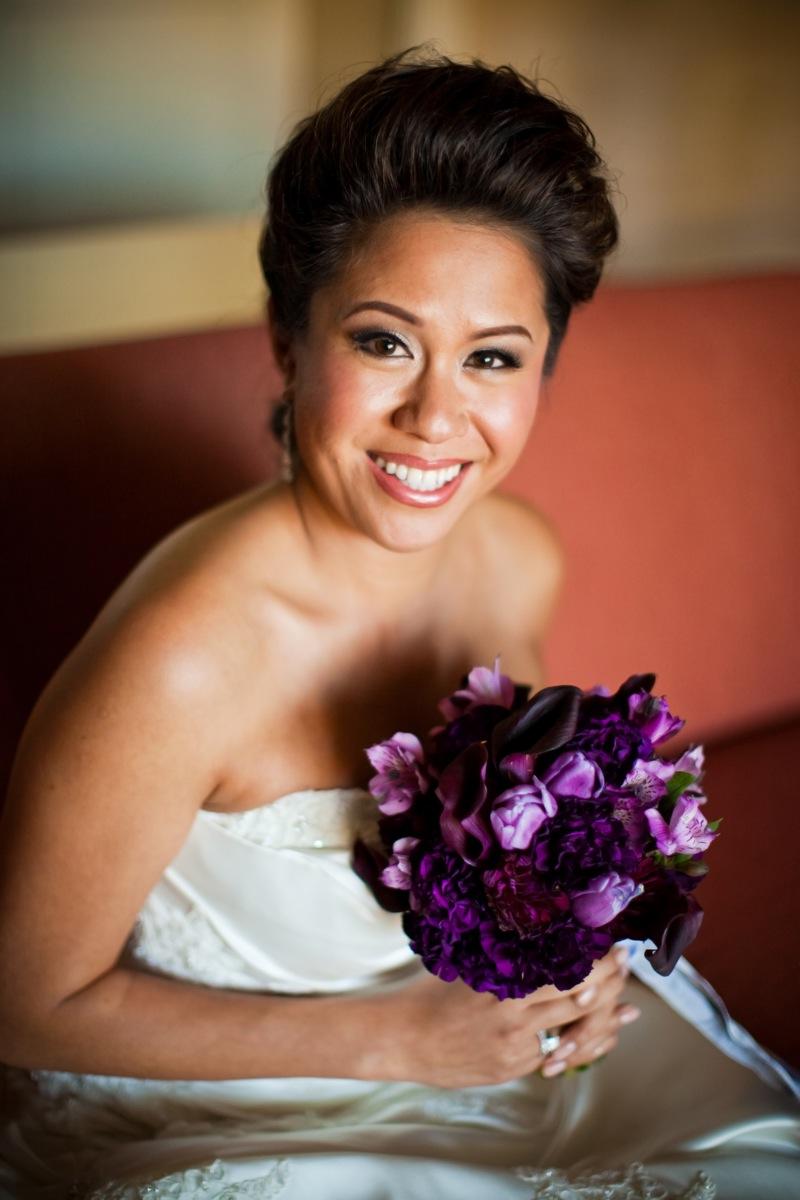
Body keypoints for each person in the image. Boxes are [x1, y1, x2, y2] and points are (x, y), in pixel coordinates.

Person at [0, 45, 797, 1200]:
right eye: (383, 342)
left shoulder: (518, 557)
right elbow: (20, 1004)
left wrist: (572, 959)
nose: (435, 416)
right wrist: (398, 1045)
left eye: (491, 358)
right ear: (286, 340)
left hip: (488, 1070)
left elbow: (515, 851)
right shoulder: (182, 657)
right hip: (238, 1115)